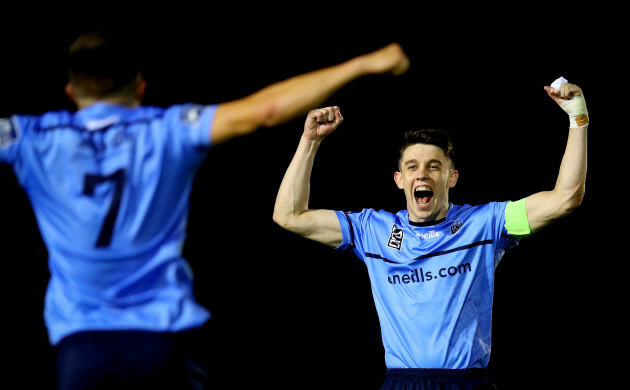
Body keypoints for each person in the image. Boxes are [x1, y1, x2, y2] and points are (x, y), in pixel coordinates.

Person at [0, 29, 410, 389]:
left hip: (81, 348)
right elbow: (266, 110)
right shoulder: (168, 128)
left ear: (71, 92)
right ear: (141, 87)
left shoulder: (32, 137)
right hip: (161, 340)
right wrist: (362, 64)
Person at [272, 78, 588, 389]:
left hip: (466, 382)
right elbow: (289, 216)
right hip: (401, 382)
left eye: (433, 166)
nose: (421, 173)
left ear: (452, 177)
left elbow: (564, 199)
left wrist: (578, 116)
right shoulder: (371, 230)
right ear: (399, 179)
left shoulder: (486, 223)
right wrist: (310, 142)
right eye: (412, 167)